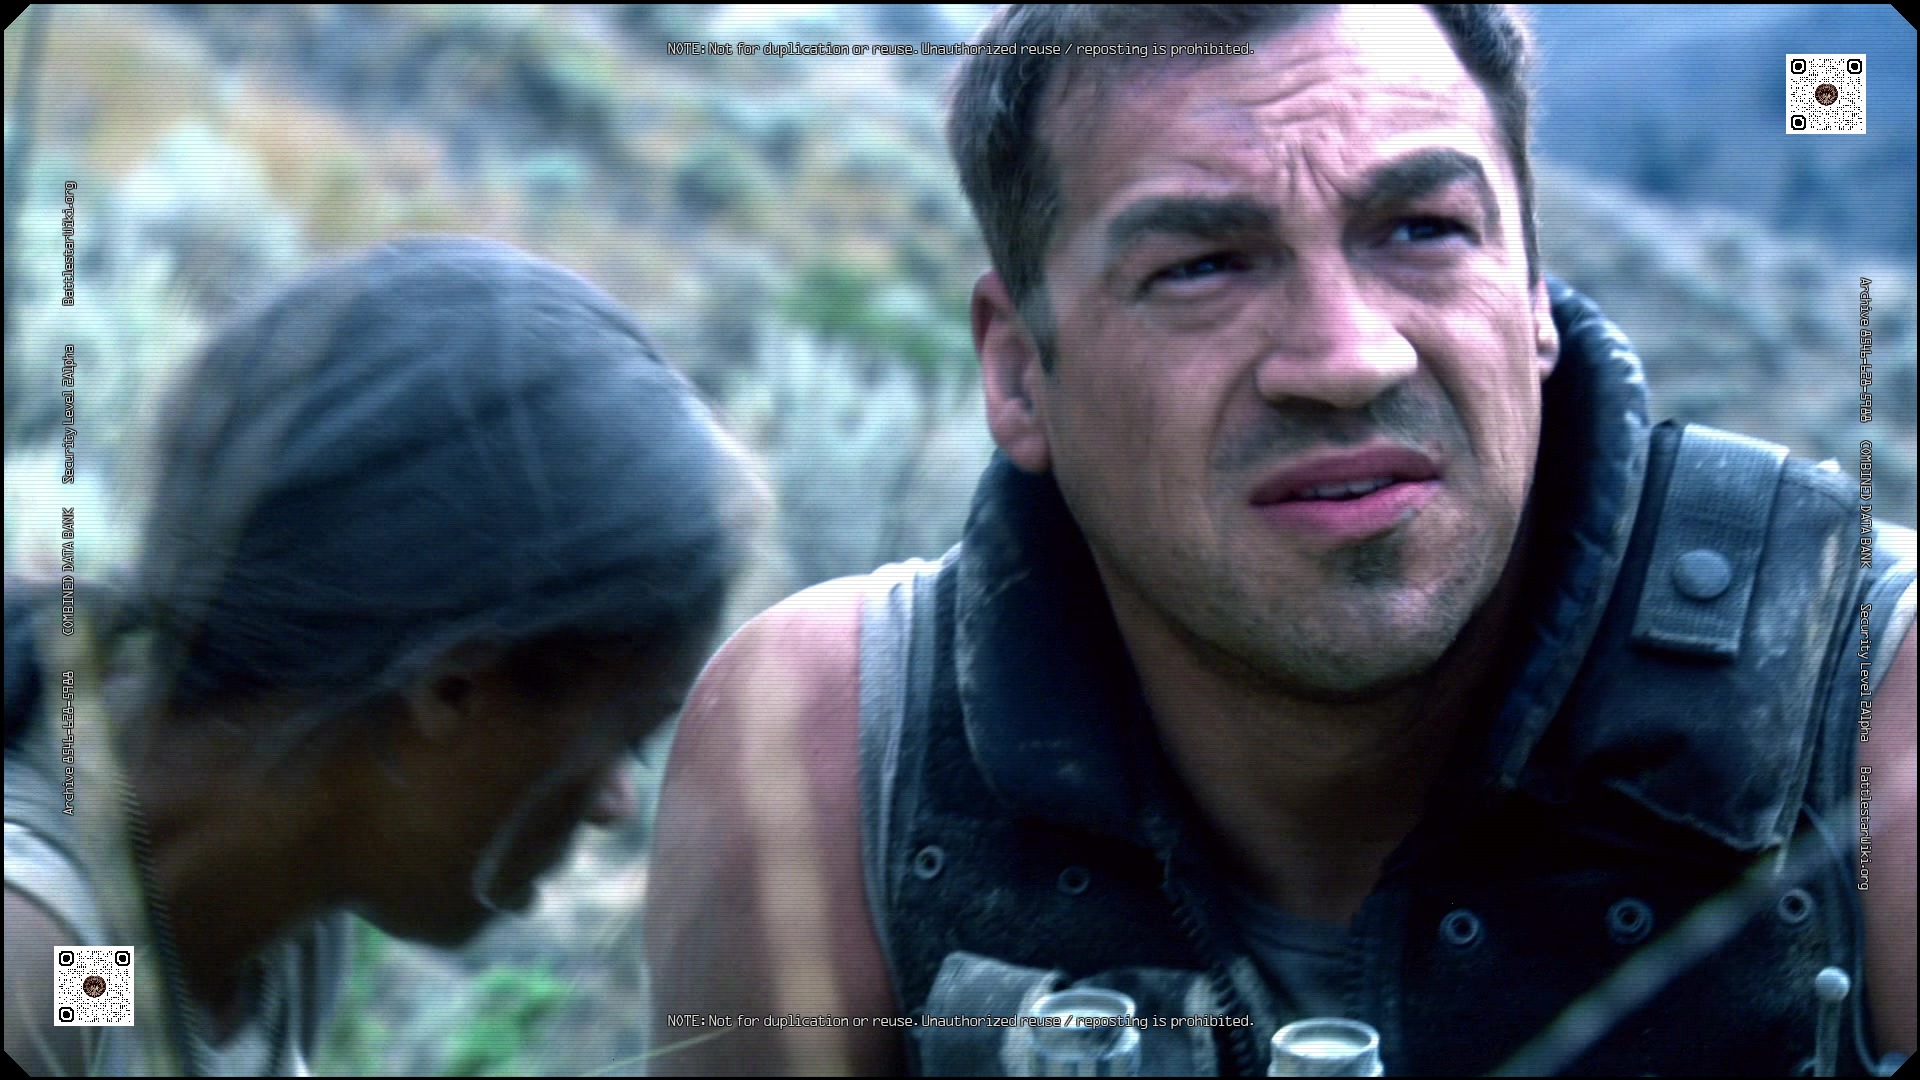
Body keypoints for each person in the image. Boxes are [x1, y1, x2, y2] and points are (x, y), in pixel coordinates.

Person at [644, 5, 1917, 1077]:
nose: (1347, 359)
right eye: (1203, 265)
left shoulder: (1879, 719)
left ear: (1534, 294)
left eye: (1422, 230)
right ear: (1020, 372)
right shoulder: (820, 758)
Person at [3, 237, 756, 1076]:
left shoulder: (271, 926)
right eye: (625, 735)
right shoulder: (45, 963)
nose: (615, 803)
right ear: (453, 690)